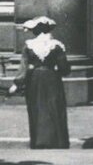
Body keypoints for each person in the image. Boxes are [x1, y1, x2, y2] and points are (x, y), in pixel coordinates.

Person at [15, 15, 70, 150]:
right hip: (52, 78)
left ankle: (39, 141)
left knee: (36, 107)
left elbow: (24, 67)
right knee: (54, 106)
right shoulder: (57, 45)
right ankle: (57, 141)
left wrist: (18, 83)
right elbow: (65, 69)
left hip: (34, 79)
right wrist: (57, 69)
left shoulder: (29, 46)